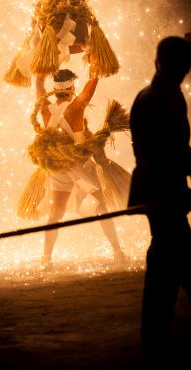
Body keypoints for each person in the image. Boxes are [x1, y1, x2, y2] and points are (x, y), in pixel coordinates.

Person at [127, 36, 191, 352]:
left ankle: (157, 331)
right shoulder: (154, 99)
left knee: (168, 260)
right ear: (161, 63)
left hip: (164, 188)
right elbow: (158, 153)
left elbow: (179, 145)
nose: (182, 73)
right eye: (178, 66)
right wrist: (180, 188)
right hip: (159, 188)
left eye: (184, 67)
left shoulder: (168, 94)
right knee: (186, 259)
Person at [36, 68, 128, 270]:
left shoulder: (44, 109)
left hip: (58, 168)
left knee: (55, 214)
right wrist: (96, 68)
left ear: (55, 90)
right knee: (101, 209)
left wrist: (40, 74)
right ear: (71, 88)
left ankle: (46, 259)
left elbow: (39, 87)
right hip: (80, 166)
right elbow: (91, 87)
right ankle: (118, 252)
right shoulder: (75, 108)